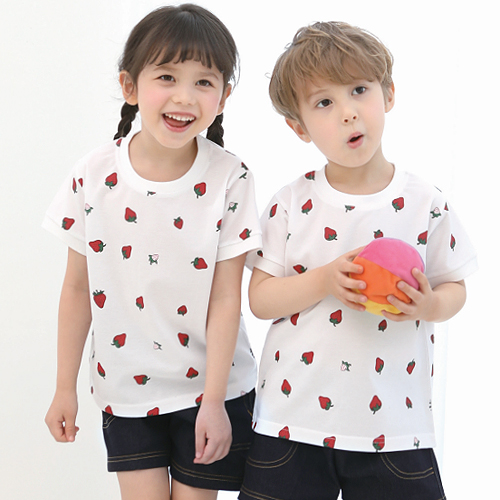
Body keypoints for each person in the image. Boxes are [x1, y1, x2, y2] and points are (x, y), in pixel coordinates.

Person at [240, 21, 477, 500]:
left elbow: (455, 287)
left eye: (359, 90)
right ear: (299, 127)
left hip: (396, 425)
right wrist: (324, 280)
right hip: (293, 421)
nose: (348, 112)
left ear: (388, 95)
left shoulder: (425, 202)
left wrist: (429, 305)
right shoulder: (291, 202)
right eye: (324, 103)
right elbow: (261, 300)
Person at [43, 4, 262, 499]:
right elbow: (77, 289)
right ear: (130, 86)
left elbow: (227, 298)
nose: (184, 96)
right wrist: (64, 387)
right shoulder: (93, 174)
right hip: (126, 390)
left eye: (204, 82)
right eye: (166, 76)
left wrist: (214, 403)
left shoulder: (231, 177)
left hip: (212, 390)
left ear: (224, 97)